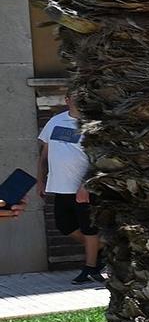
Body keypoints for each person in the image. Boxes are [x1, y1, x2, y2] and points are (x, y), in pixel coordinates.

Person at [38, 94, 101, 285]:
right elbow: (44, 155)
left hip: (83, 190)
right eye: (74, 97)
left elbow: (98, 159)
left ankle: (90, 268)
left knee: (89, 230)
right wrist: (40, 179)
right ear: (67, 100)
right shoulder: (55, 121)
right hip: (59, 187)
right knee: (65, 226)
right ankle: (102, 250)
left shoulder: (93, 124)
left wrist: (85, 185)